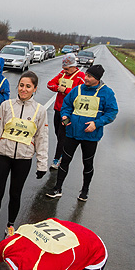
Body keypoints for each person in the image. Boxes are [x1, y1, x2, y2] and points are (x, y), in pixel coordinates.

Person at [0, 71, 49, 241]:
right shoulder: (6, 106)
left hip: (23, 160)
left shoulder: (40, 111)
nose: (24, 89)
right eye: (21, 85)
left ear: (34, 89)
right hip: (3, 156)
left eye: (28, 86)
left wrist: (42, 164)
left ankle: (11, 225)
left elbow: (42, 138)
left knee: (15, 194)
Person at [46, 64, 118, 202]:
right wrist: (65, 118)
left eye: (90, 76)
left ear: (97, 79)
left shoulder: (107, 93)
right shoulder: (77, 90)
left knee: (88, 163)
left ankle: (85, 191)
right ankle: (57, 188)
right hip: (72, 133)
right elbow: (66, 106)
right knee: (65, 160)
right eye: (86, 75)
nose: (86, 78)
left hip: (90, 136)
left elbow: (112, 112)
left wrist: (96, 124)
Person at [46, 55, 87, 169]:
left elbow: (82, 94)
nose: (65, 71)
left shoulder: (80, 77)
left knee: (62, 135)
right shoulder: (62, 74)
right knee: (58, 134)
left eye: (67, 68)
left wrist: (66, 91)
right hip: (58, 109)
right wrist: (58, 88)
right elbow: (50, 84)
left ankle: (57, 159)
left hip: (69, 113)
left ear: (74, 66)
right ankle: (64, 151)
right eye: (64, 68)